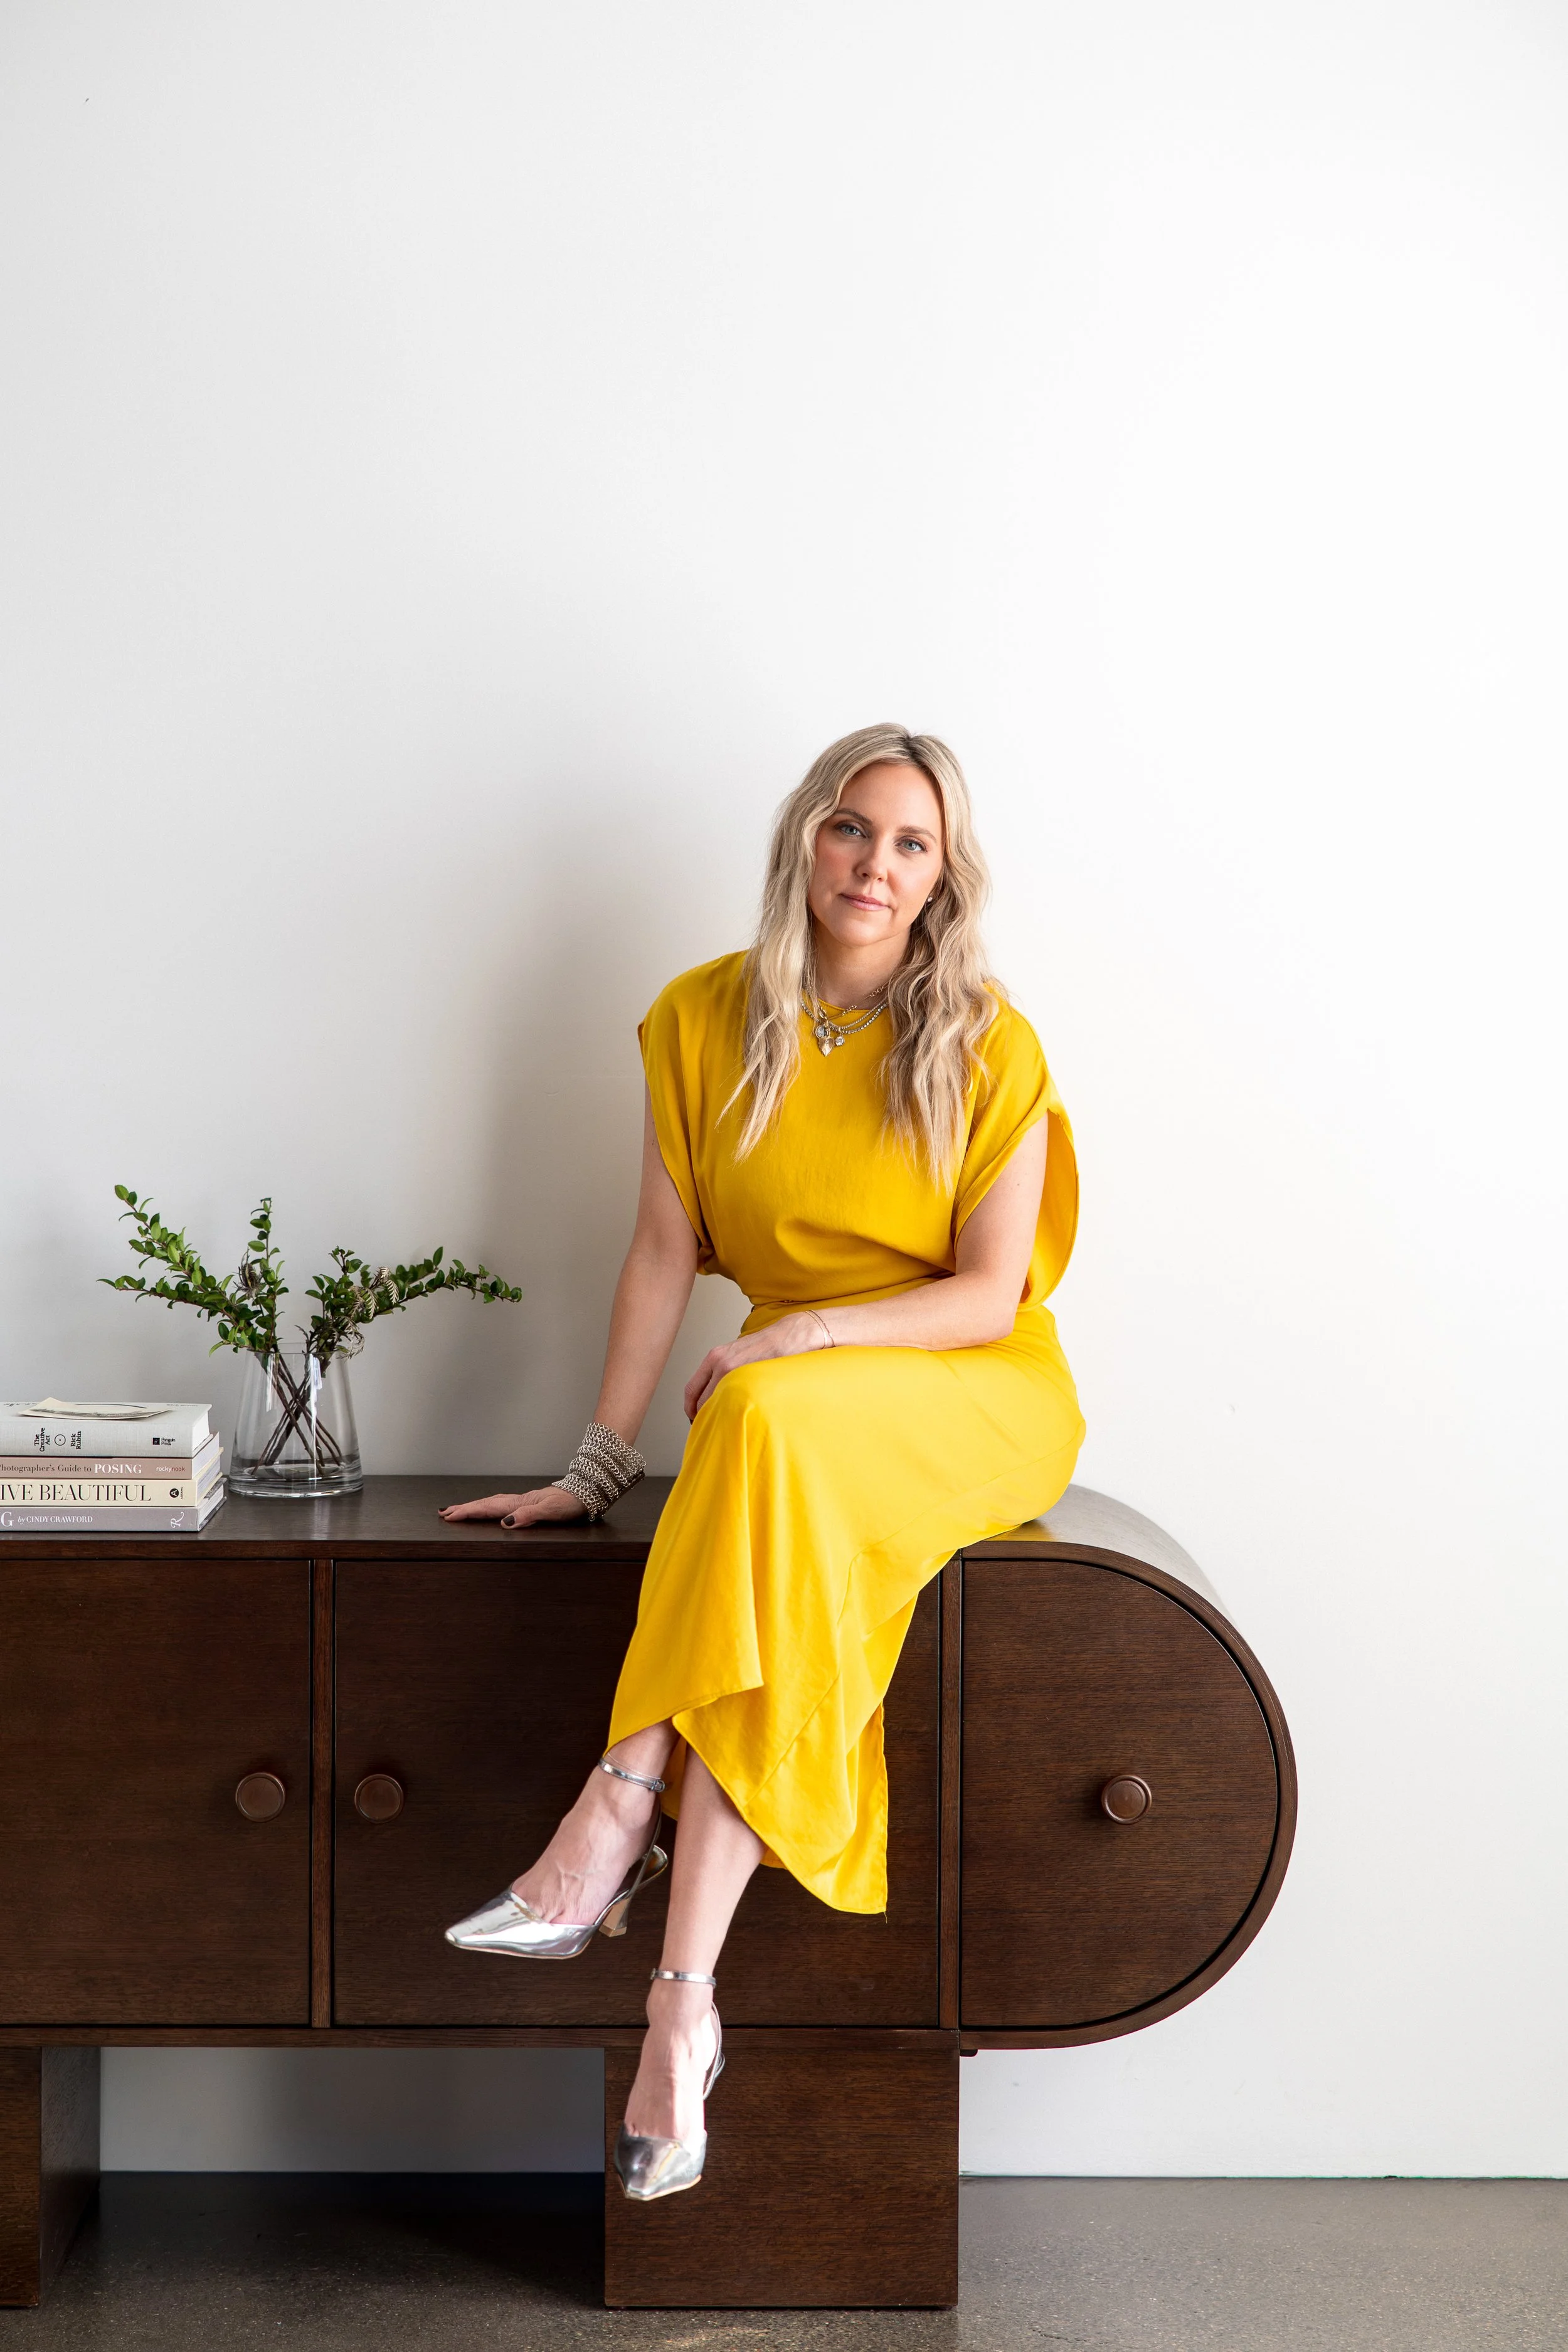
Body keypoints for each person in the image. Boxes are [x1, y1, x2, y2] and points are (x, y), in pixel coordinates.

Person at [439, 723, 1084, 2201]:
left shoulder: (989, 1040)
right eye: (853, 828)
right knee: (751, 1439)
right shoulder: (693, 1021)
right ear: (806, 838)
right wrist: (596, 1467)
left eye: (911, 843)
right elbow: (662, 1255)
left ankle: (613, 1806)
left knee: (755, 1408)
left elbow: (992, 1298)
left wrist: (805, 1340)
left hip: (967, 1390)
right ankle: (680, 2007)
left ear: (942, 876)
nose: (875, 863)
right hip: (788, 1422)